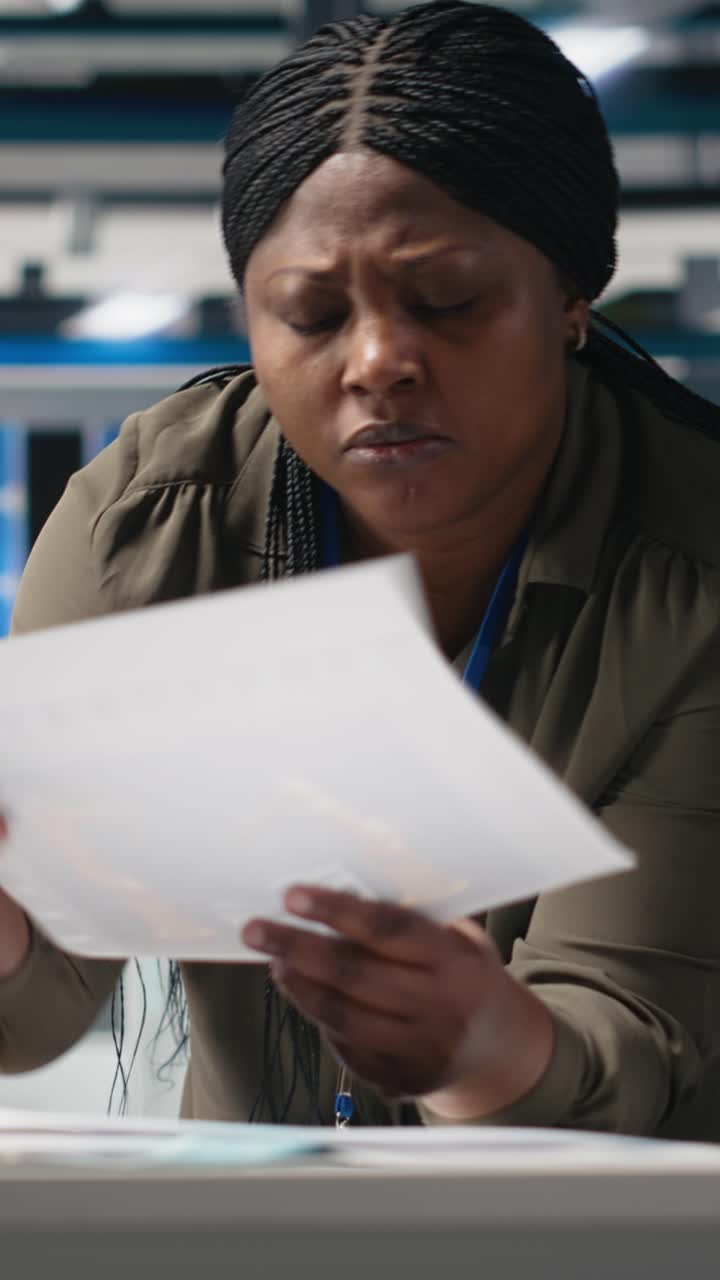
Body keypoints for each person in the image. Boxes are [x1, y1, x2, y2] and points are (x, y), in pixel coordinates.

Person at [1, 0, 720, 1138]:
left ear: (573, 297)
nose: (379, 361)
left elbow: (636, 1043)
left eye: (448, 302)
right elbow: (35, 1008)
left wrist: (480, 1040)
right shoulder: (150, 526)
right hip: (265, 1232)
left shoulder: (694, 572)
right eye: (312, 312)